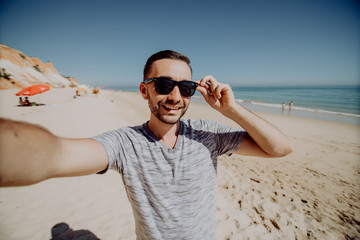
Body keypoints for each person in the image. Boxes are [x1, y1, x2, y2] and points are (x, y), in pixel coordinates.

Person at [0, 50, 293, 239]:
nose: (175, 96)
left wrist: (231, 110)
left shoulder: (209, 134)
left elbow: (280, 149)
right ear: (144, 90)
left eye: (186, 88)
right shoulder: (125, 143)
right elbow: (56, 155)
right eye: (164, 85)